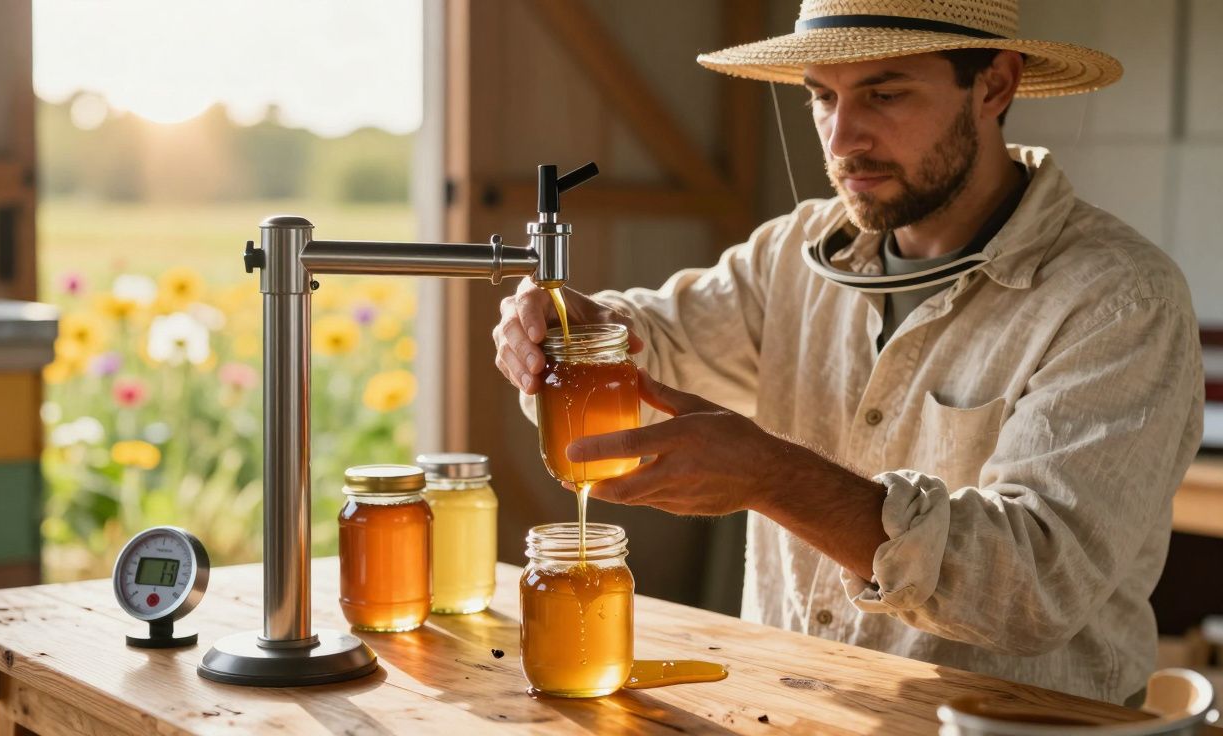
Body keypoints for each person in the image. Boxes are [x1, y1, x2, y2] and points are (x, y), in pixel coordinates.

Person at [491, 0, 1204, 706]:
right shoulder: (791, 255)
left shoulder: (1119, 298)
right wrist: (561, 333)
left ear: (994, 86)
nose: (840, 139)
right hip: (788, 712)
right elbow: (654, 344)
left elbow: (1031, 588)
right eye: (822, 98)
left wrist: (778, 479)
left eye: (884, 94)